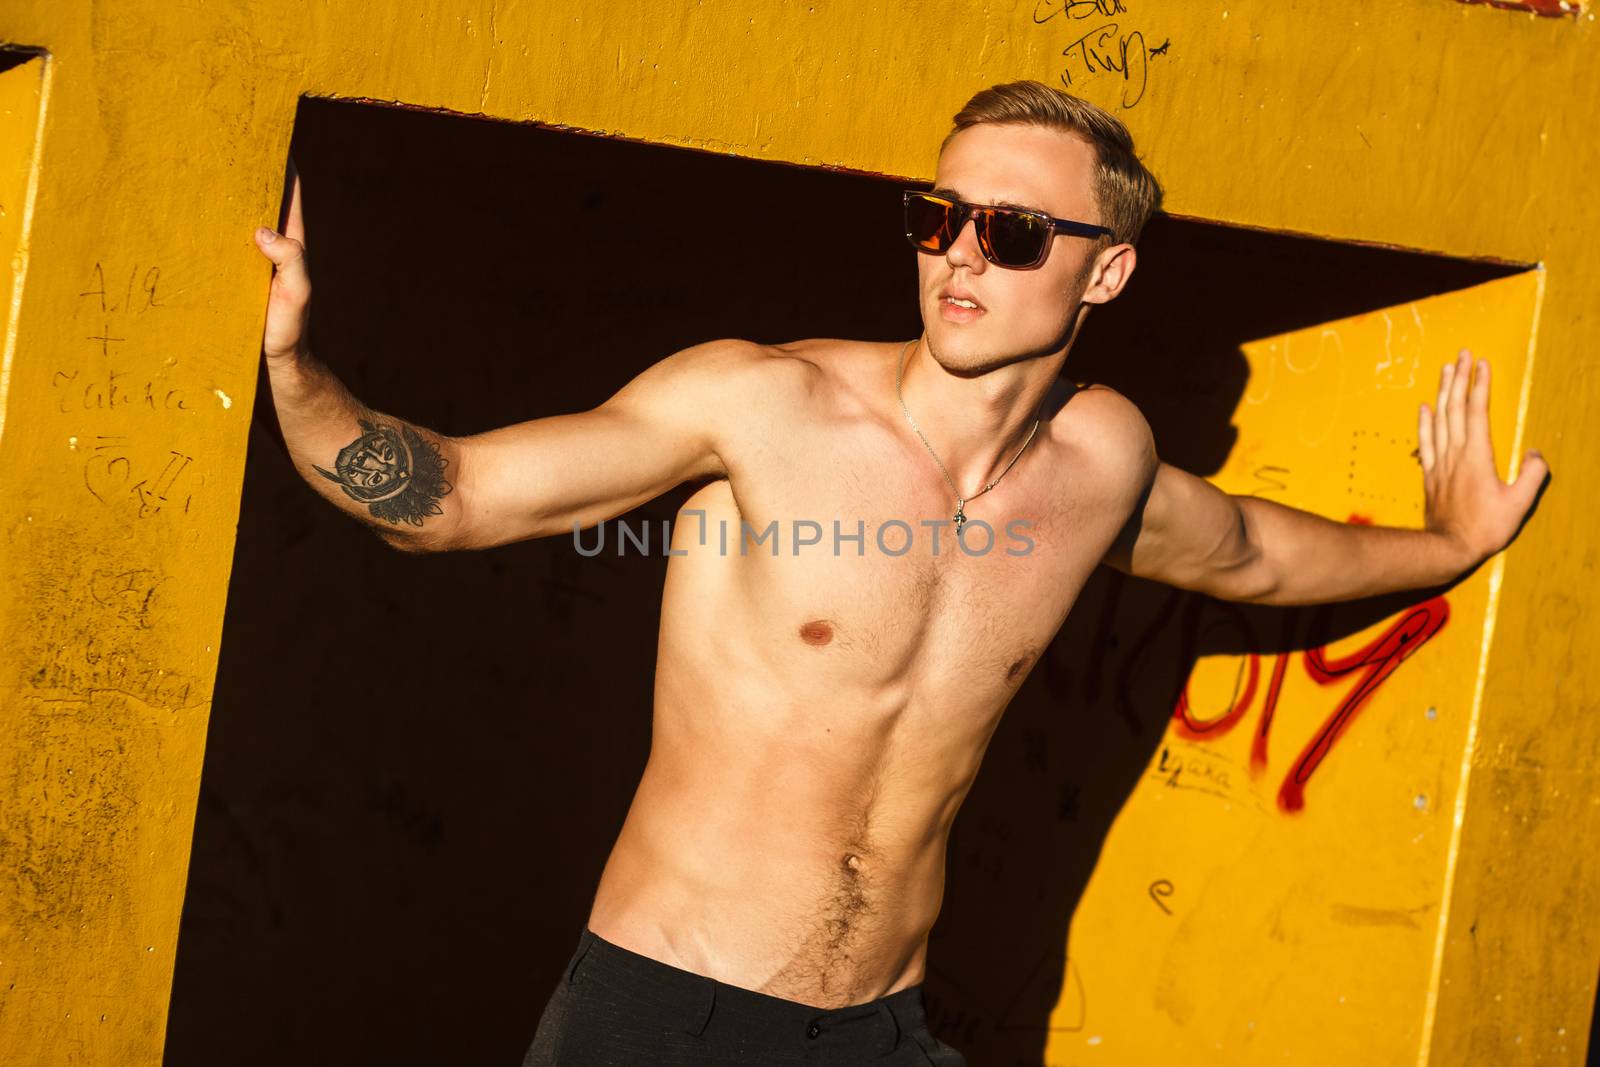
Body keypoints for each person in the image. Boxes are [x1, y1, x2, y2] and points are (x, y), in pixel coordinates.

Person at [252, 81, 1548, 1065]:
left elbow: (1252, 552)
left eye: (1014, 228)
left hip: (882, 1027)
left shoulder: (1100, 461)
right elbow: (452, 500)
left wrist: (1450, 544)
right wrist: (297, 369)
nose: (962, 253)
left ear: (1110, 268)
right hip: (664, 1018)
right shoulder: (765, 406)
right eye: (941, 216)